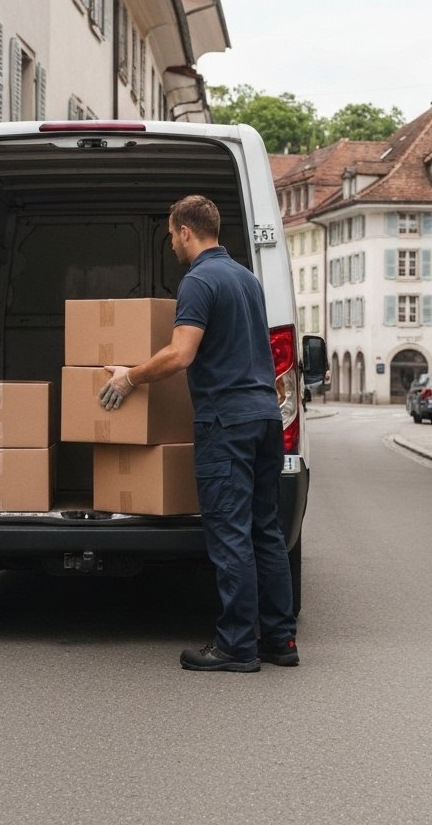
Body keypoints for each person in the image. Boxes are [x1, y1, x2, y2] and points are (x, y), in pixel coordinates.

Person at [98, 195, 298, 672]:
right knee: (264, 531)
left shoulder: (199, 280)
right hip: (266, 417)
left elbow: (180, 353)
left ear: (186, 231)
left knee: (229, 534)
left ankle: (236, 646)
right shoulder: (248, 279)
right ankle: (280, 641)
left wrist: (130, 377)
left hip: (226, 423)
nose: (171, 245)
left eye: (171, 235)